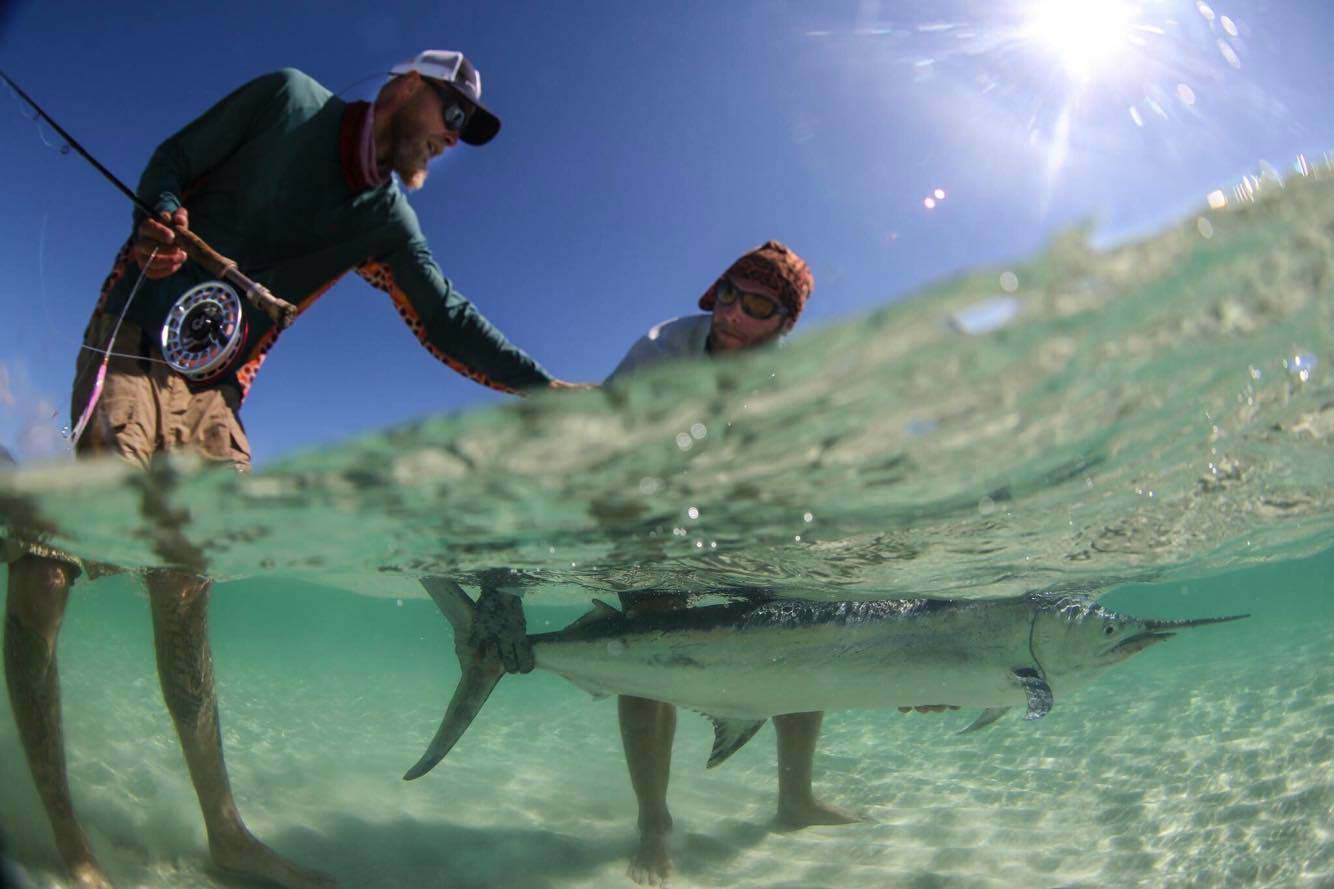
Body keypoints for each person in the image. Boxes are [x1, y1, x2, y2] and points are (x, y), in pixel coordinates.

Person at [3, 49, 584, 889]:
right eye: (451, 115)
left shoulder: (387, 220)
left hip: (215, 397)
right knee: (47, 573)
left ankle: (226, 834)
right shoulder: (286, 100)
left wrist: (542, 388)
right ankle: (69, 844)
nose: (454, 139)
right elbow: (173, 159)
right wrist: (159, 212)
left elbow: (447, 320)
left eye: (468, 129)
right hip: (132, 339)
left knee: (184, 595)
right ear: (406, 87)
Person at [605, 241, 859, 888]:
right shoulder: (660, 348)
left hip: (755, 516)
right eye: (726, 293)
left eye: (755, 305)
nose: (731, 313)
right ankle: (653, 819)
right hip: (658, 505)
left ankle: (794, 798)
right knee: (647, 659)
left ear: (784, 322)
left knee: (799, 640)